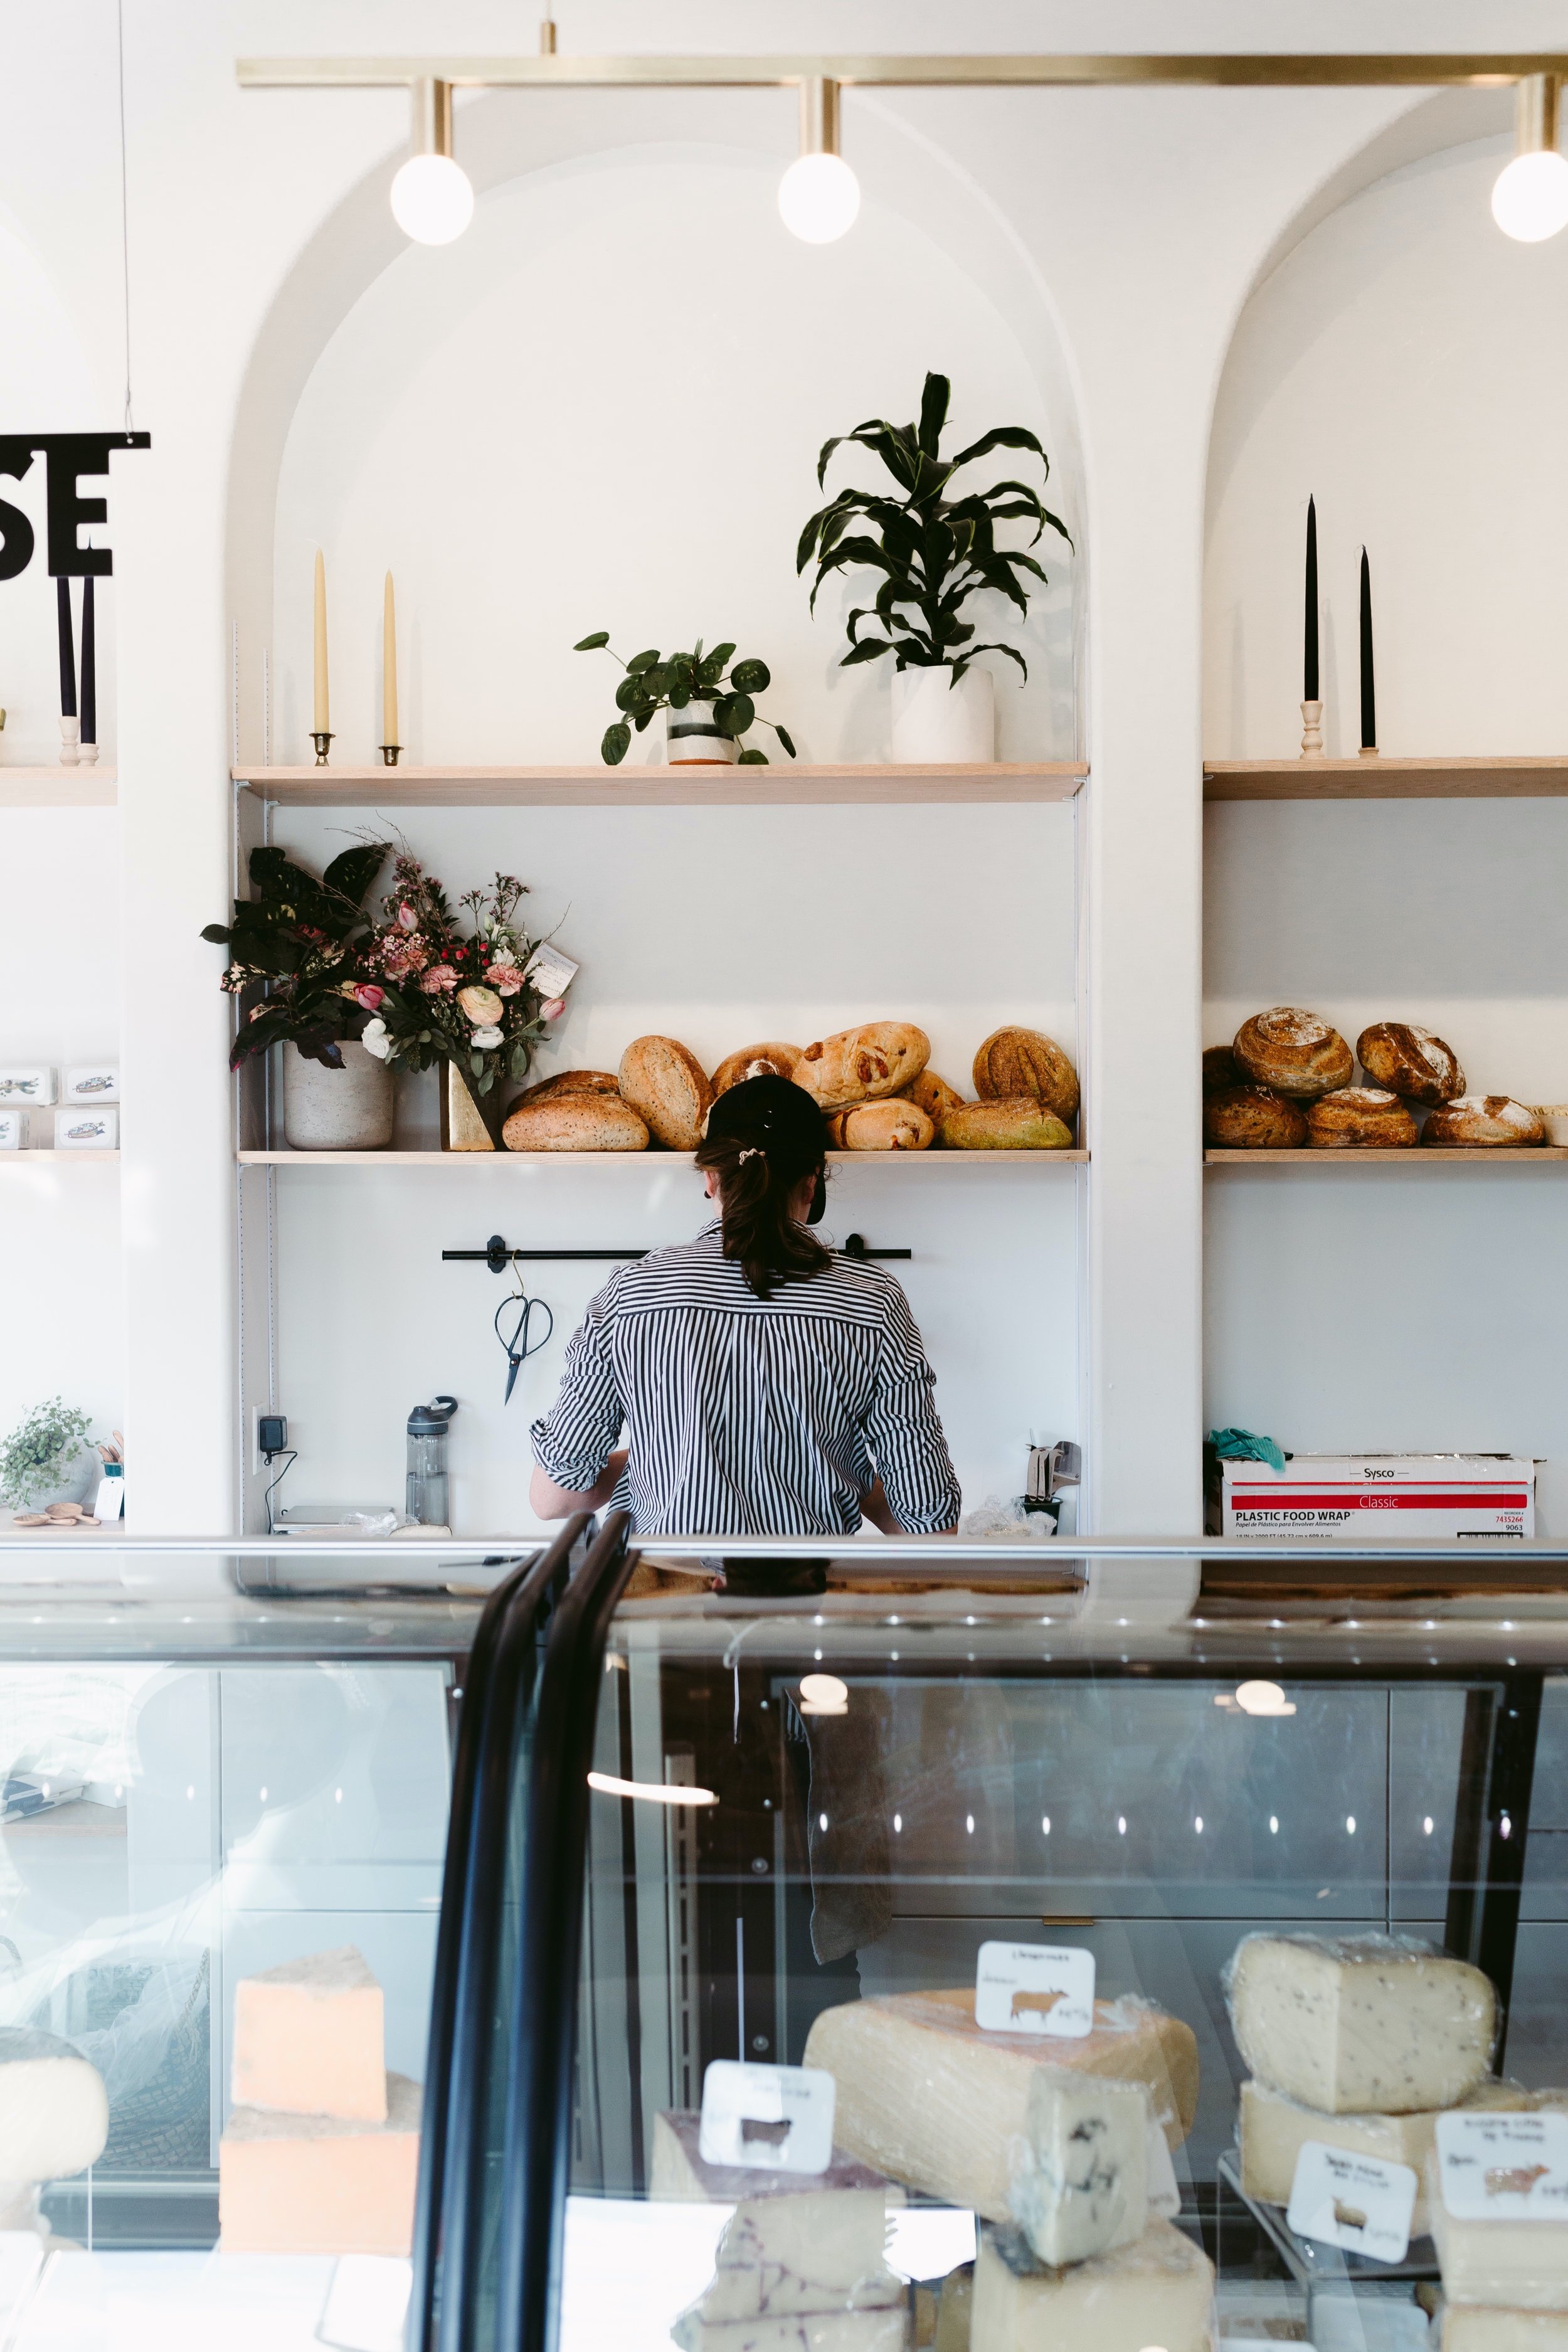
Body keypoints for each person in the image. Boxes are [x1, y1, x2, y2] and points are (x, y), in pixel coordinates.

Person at [528, 1073, 961, 1537]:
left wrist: (667, 1446)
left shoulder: (633, 1291)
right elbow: (929, 1523)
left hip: (669, 1597)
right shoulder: (874, 1301)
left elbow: (556, 1499)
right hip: (811, 1601)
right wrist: (832, 1465)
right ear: (812, 1185)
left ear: (711, 1180)